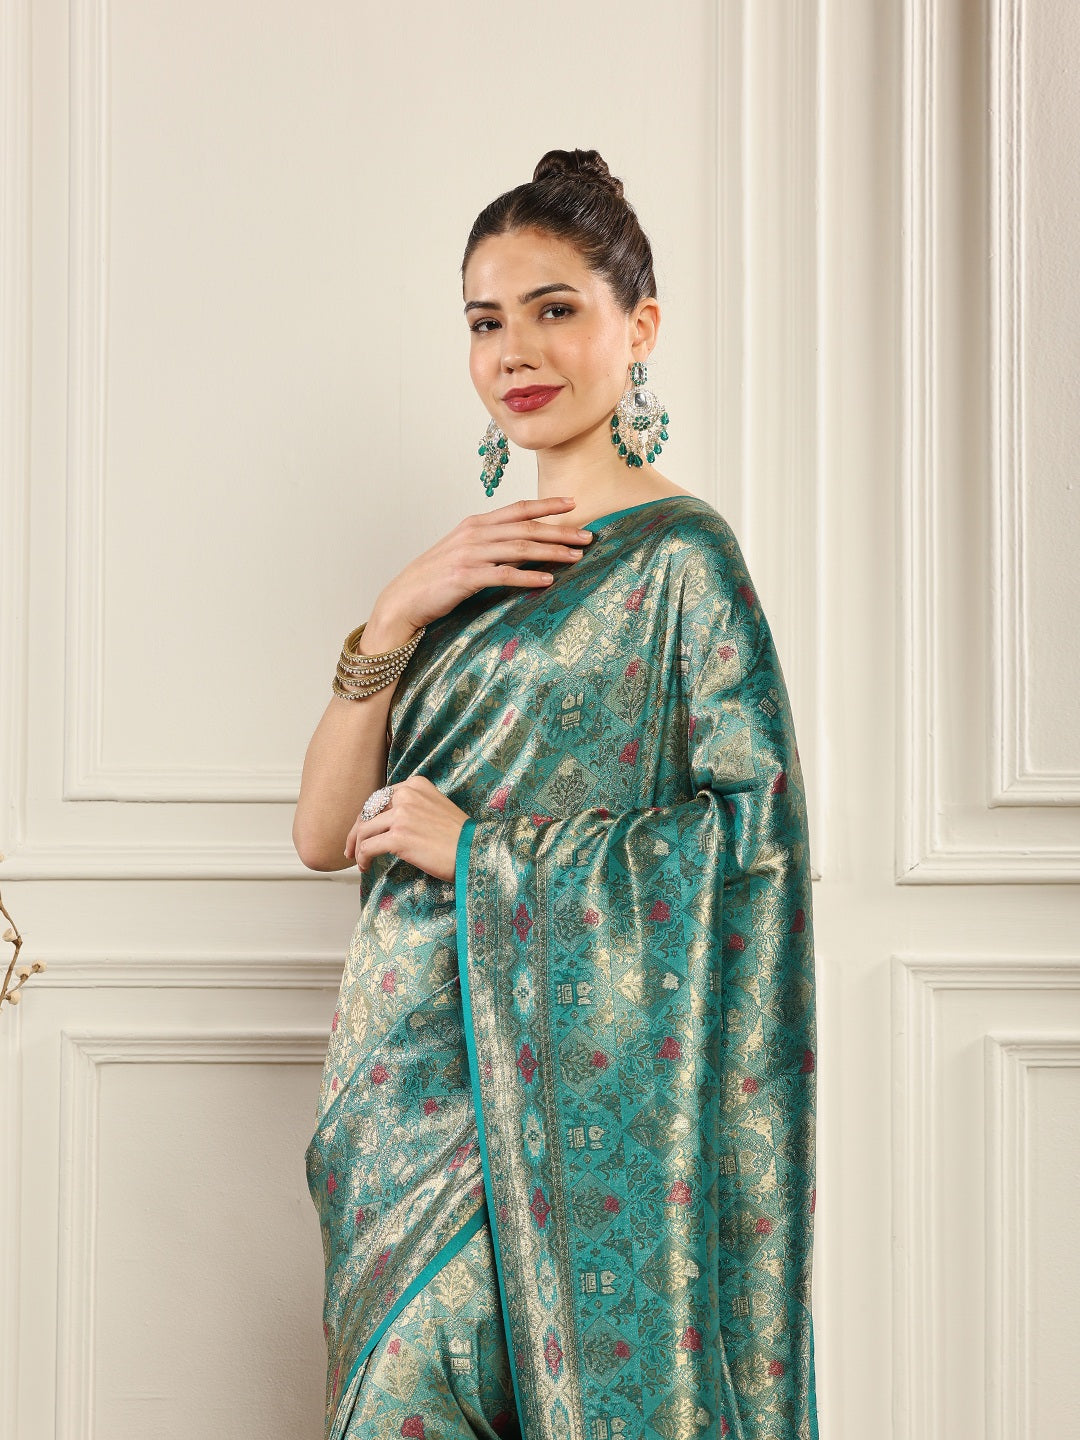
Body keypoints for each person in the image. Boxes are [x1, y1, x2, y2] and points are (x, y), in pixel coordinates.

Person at [295, 147, 820, 1440]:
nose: (515, 351)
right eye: (486, 322)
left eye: (554, 309)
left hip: (556, 1089)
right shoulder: (459, 575)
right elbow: (319, 835)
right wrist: (395, 610)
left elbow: (747, 841)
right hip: (404, 1086)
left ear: (640, 326)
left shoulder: (685, 562)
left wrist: (484, 853)